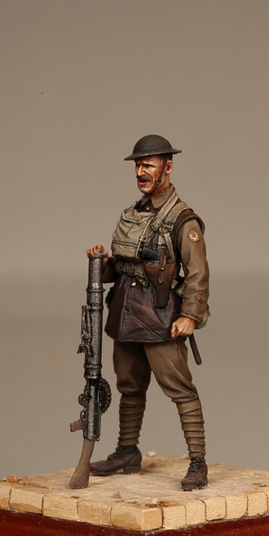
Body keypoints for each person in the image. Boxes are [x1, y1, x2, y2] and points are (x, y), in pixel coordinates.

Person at [87, 135, 209, 490]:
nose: (141, 172)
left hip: (159, 315)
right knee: (128, 385)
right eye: (138, 165)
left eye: (148, 165)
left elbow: (198, 274)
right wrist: (102, 265)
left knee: (180, 388)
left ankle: (198, 462)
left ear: (167, 168)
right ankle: (127, 451)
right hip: (125, 311)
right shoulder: (134, 214)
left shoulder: (182, 220)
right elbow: (123, 266)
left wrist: (190, 315)